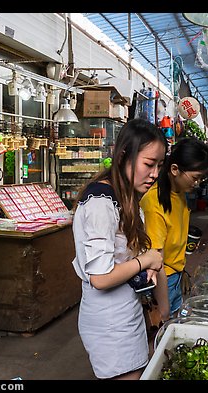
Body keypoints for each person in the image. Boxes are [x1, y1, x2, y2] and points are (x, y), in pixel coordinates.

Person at [71, 118, 166, 380]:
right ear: (124, 155)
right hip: (110, 322)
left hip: (125, 311)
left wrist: (146, 266)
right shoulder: (101, 202)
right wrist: (146, 260)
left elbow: (123, 256)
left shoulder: (123, 197)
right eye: (148, 164)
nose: (155, 174)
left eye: (159, 165)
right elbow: (101, 278)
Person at [140, 137, 208, 321]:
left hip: (175, 274)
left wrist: (182, 269)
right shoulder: (154, 202)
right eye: (195, 178)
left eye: (201, 178)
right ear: (174, 170)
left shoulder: (179, 192)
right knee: (167, 328)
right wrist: (163, 305)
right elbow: (156, 261)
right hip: (164, 279)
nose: (197, 183)